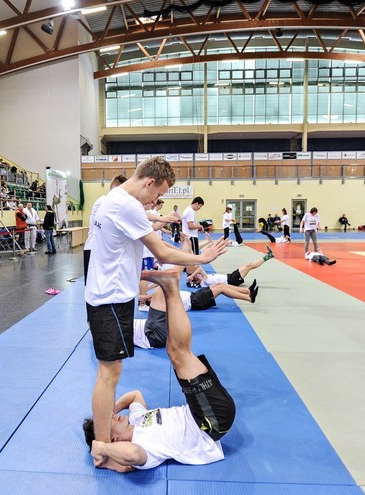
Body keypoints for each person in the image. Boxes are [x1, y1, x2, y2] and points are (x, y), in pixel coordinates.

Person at [85, 157, 227, 448]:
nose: (157, 200)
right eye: (159, 194)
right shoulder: (126, 205)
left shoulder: (111, 199)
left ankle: (103, 440)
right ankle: (103, 447)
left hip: (109, 295)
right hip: (110, 298)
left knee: (111, 372)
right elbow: (162, 252)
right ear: (150, 182)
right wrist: (203, 259)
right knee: (109, 373)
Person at [86, 269, 235, 472]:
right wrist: (103, 448)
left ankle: (170, 287)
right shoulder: (141, 446)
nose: (111, 417)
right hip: (209, 422)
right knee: (179, 353)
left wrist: (109, 412)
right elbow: (133, 455)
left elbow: (135, 396)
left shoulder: (137, 420)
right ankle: (170, 287)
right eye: (107, 423)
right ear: (113, 438)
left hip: (200, 410)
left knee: (176, 352)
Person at [83, 175, 127, 282]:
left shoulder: (112, 202)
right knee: (94, 290)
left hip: (103, 251)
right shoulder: (104, 201)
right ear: (115, 188)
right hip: (94, 249)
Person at [186, 246, 273, 288]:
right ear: (196, 280)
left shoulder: (204, 280)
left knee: (248, 266)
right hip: (232, 280)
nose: (197, 275)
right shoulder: (205, 282)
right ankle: (268, 256)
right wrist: (190, 276)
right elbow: (200, 269)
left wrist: (191, 275)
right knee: (249, 266)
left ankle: (268, 256)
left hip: (230, 276)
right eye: (196, 277)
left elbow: (198, 268)